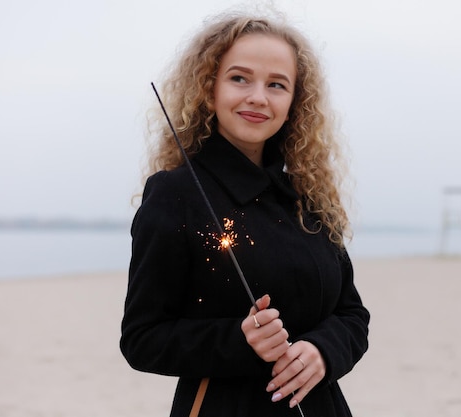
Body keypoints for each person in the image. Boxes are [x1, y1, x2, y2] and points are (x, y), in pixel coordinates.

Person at [120, 10, 370, 417]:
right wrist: (238, 340)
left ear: (294, 102)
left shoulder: (307, 199)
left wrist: (323, 352)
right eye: (239, 78)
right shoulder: (176, 193)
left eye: (277, 85)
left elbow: (351, 313)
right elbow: (143, 338)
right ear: (209, 88)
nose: (258, 96)